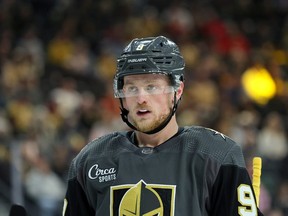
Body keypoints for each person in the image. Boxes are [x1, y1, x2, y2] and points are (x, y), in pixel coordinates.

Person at [62, 36, 264, 215]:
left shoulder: (217, 156)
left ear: (177, 90)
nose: (141, 98)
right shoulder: (90, 161)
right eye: (132, 88)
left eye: (151, 87)